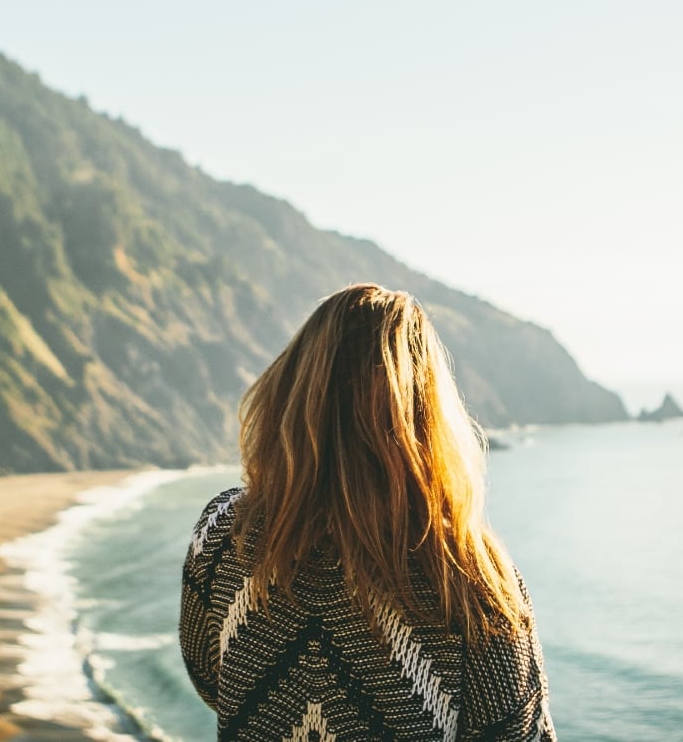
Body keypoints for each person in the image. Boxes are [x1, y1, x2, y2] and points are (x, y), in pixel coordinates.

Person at [180, 283, 556, 741]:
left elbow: (208, 676)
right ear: (427, 414)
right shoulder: (470, 575)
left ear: (291, 394)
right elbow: (520, 734)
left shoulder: (223, 534)